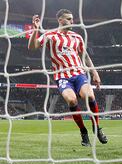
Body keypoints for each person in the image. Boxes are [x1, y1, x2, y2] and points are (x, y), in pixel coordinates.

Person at [28, 9, 108, 146]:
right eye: (69, 19)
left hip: (79, 74)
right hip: (62, 76)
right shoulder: (50, 35)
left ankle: (96, 127)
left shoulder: (77, 37)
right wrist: (35, 30)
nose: (72, 21)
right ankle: (84, 132)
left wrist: (95, 73)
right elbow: (32, 47)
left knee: (89, 96)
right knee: (71, 100)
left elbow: (85, 56)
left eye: (72, 18)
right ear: (60, 20)